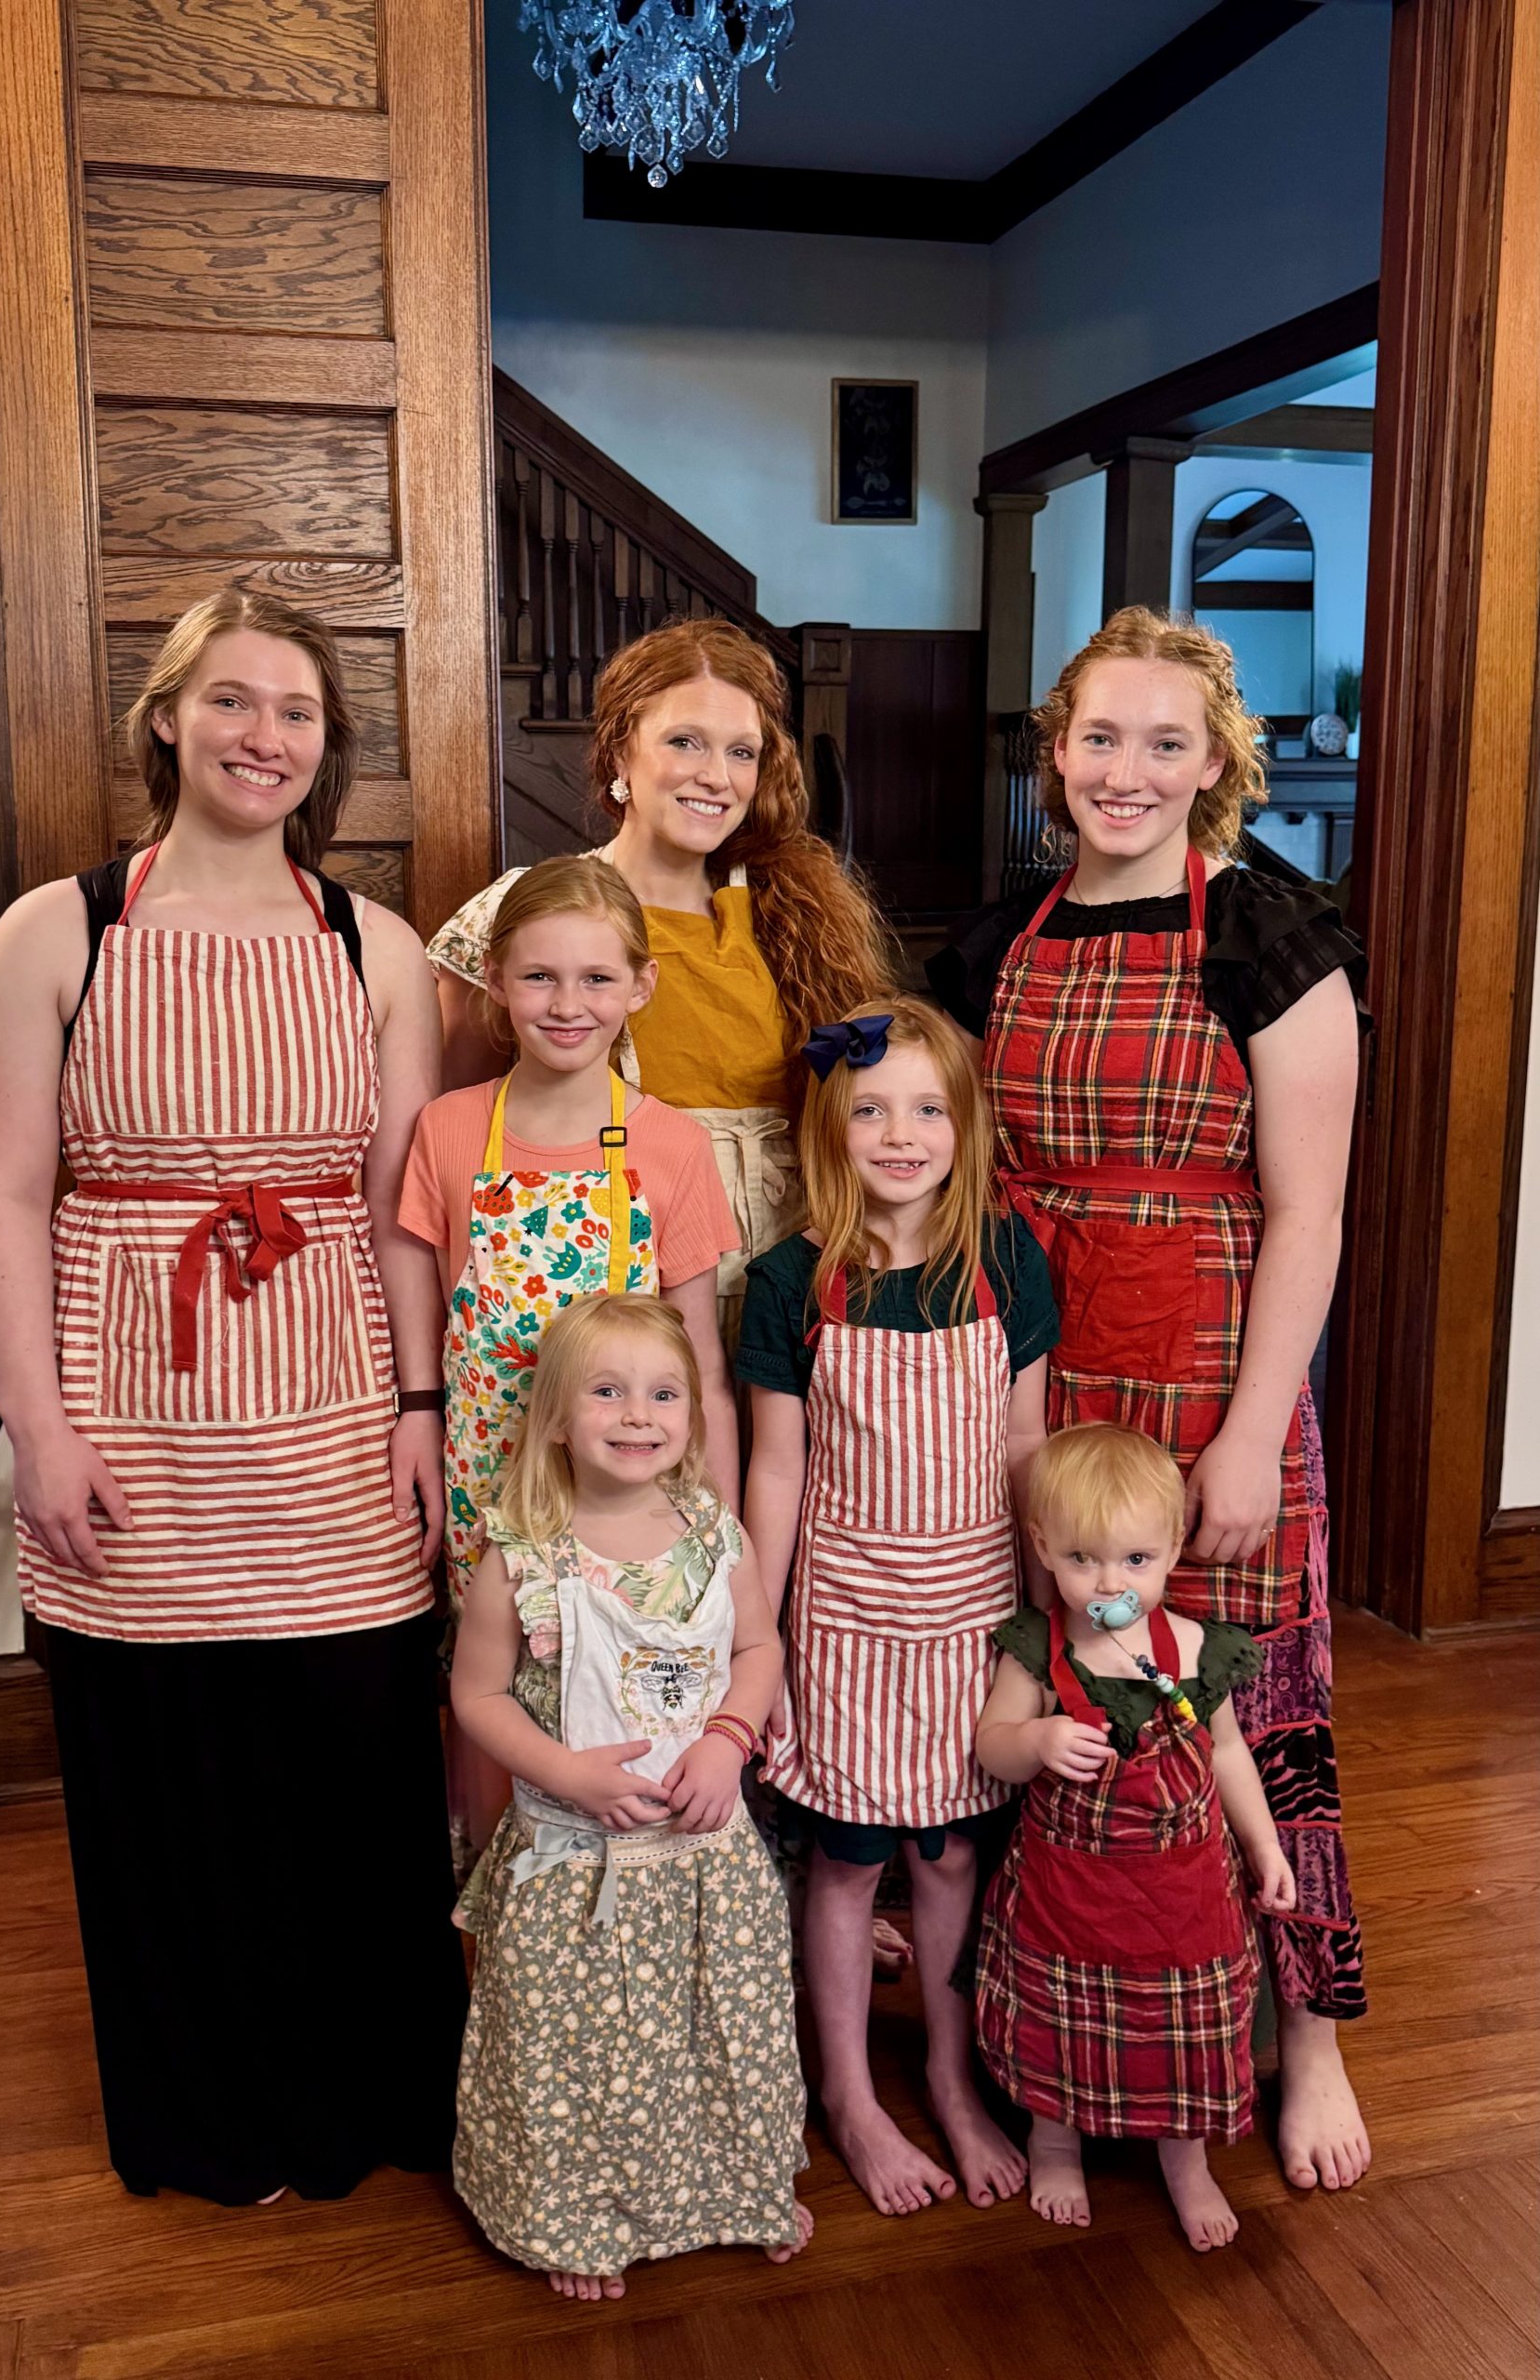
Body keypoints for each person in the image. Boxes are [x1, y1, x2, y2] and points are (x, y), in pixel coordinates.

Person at [0, 585, 465, 2203]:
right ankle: (206, 2121)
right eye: (236, 704)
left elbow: (403, 1196)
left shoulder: (370, 944)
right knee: (168, 1773)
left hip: (330, 1399)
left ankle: (368, 2103)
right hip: (132, 1406)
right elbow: (1, 1195)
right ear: (168, 718)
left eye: (299, 714)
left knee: (353, 1759)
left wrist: (421, 1404)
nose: (267, 738)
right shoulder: (62, 930)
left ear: (329, 750)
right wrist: (38, 1433)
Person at [930, 605, 1371, 2195]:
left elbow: (1308, 1213)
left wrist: (1255, 1433)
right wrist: (997, 1420)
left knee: (1260, 1707)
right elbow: (975, 1194)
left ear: (1213, 764)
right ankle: (1057, 2031)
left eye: (1163, 742)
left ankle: (1306, 2029)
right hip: (1050, 1376)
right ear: (1058, 751)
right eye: (1099, 737)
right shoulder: (996, 945)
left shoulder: (1272, 935)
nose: (1126, 770)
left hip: (1211, 1382)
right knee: (1058, 1701)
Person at [736, 998, 1057, 2218]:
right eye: (871, 1110)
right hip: (845, 1618)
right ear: (831, 1127)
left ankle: (946, 2067)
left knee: (954, 1846)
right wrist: (758, 1643)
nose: (901, 1133)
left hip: (975, 1605)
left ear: (963, 1126)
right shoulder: (790, 1282)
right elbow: (777, 1468)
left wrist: (1045, 1635)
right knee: (846, 1858)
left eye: (928, 1109)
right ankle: (850, 2095)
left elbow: (1025, 1443)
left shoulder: (1004, 1261)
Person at [450, 1294, 810, 2301]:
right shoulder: (522, 1554)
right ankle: (574, 2215)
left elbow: (756, 1648)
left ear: (691, 1415)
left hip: (705, 1856)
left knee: (722, 2035)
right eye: (606, 1392)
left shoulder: (711, 1530)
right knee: (577, 2059)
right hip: (579, 1871)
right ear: (558, 1418)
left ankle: (739, 2188)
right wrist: (562, 1771)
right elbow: (474, 1694)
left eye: (662, 1393)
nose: (637, 1413)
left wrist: (730, 1740)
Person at [400, 856, 741, 1867]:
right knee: (497, 1705)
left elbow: (702, 1367)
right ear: (497, 980)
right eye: (540, 976)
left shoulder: (670, 1146)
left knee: (622, 1716)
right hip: (490, 1487)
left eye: (597, 979)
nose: (567, 1003)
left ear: (640, 987)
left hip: (631, 1499)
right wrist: (414, 1419)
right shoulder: (452, 1130)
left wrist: (714, 1530)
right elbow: (424, 1319)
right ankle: (504, 1935)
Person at [427, 617, 895, 1347]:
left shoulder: (800, 916)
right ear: (621, 749)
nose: (716, 776)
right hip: (615, 1288)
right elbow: (453, 1129)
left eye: (742, 752)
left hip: (786, 1284)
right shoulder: (534, 909)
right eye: (685, 741)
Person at [975, 1422, 1296, 2252]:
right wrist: (1037, 1742)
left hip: (1183, 1901)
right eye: (1081, 1560)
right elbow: (992, 1746)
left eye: (1135, 1562)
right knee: (1058, 2022)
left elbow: (1227, 1755)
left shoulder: (1193, 1649)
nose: (1106, 1582)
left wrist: (1264, 1849)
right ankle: (1053, 2144)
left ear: (1172, 1550)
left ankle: (1186, 2162)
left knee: (1188, 2032)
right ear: (1043, 1547)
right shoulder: (1038, 1653)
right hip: (1066, 1898)